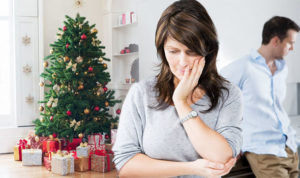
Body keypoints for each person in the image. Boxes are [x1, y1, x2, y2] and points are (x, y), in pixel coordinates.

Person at [112, 0, 243, 177]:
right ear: (162, 51)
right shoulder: (142, 93)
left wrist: (181, 103)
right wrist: (191, 168)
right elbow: (126, 166)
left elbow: (221, 158)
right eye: (173, 51)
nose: (182, 62)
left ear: (208, 50)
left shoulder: (228, 95)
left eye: (191, 52)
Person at [221, 16, 300, 178]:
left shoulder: (281, 69)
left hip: (289, 147)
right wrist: (232, 141)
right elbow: (217, 101)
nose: (292, 48)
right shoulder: (243, 67)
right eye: (290, 43)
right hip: (264, 151)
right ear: (276, 41)